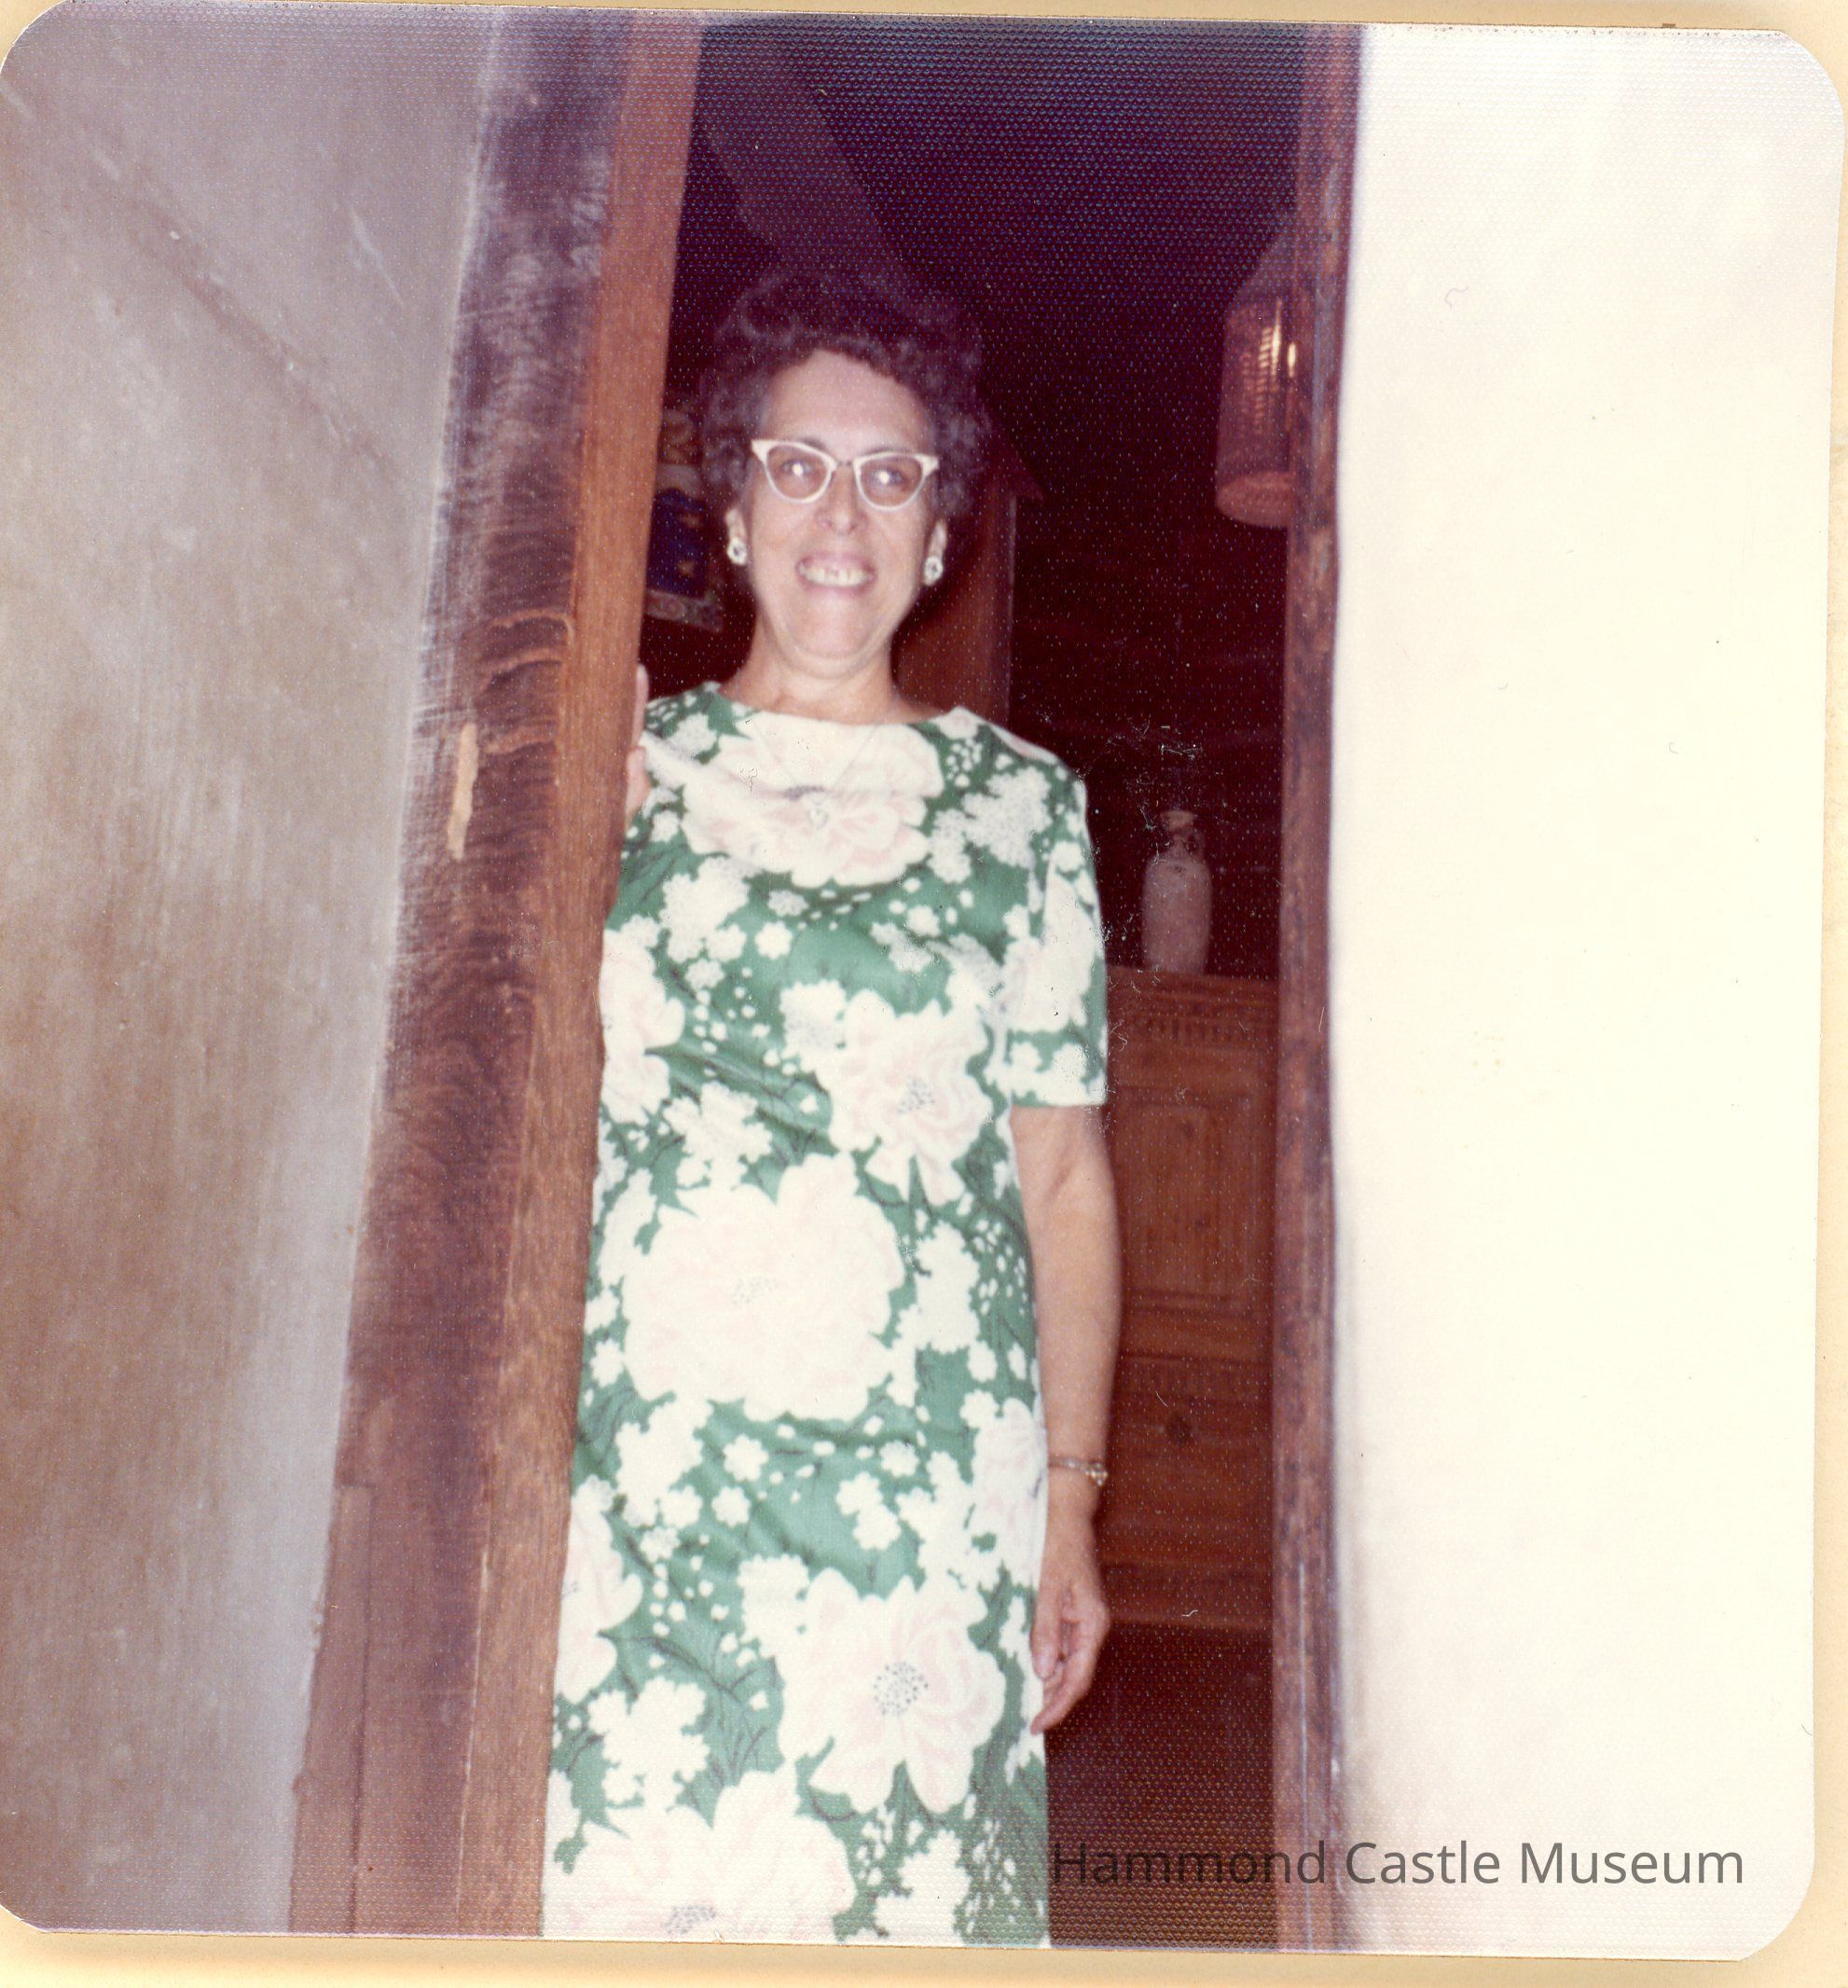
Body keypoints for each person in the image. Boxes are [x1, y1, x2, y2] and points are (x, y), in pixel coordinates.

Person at [544, 263, 1121, 1945]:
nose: (840, 516)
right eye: (798, 465)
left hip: (919, 1505)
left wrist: (1067, 1505)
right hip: (647, 1483)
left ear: (938, 533)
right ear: (730, 507)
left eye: (890, 475)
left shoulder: (1023, 813)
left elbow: (1063, 1182)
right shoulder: (612, 770)